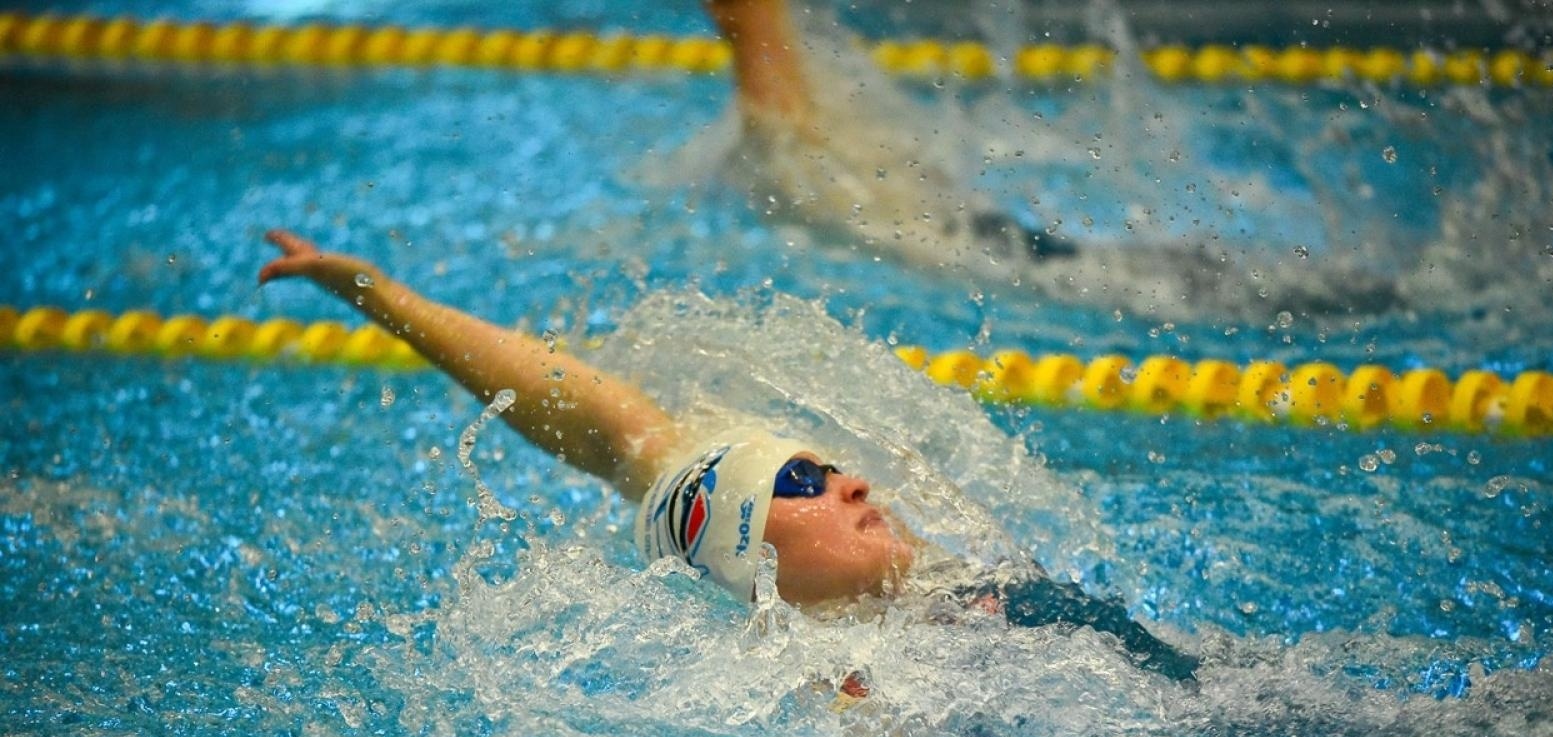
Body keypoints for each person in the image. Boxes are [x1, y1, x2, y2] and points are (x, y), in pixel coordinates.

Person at [258, 230, 1200, 682]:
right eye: (803, 482)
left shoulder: (954, 591)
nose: (854, 482)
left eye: (829, 467)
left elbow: (611, 432)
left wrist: (382, 295)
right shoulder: (854, 684)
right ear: (752, 564)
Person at [701, 0, 1395, 317]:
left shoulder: (784, 134)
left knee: (1215, 295)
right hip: (997, 244)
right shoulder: (810, 115)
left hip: (1003, 259)